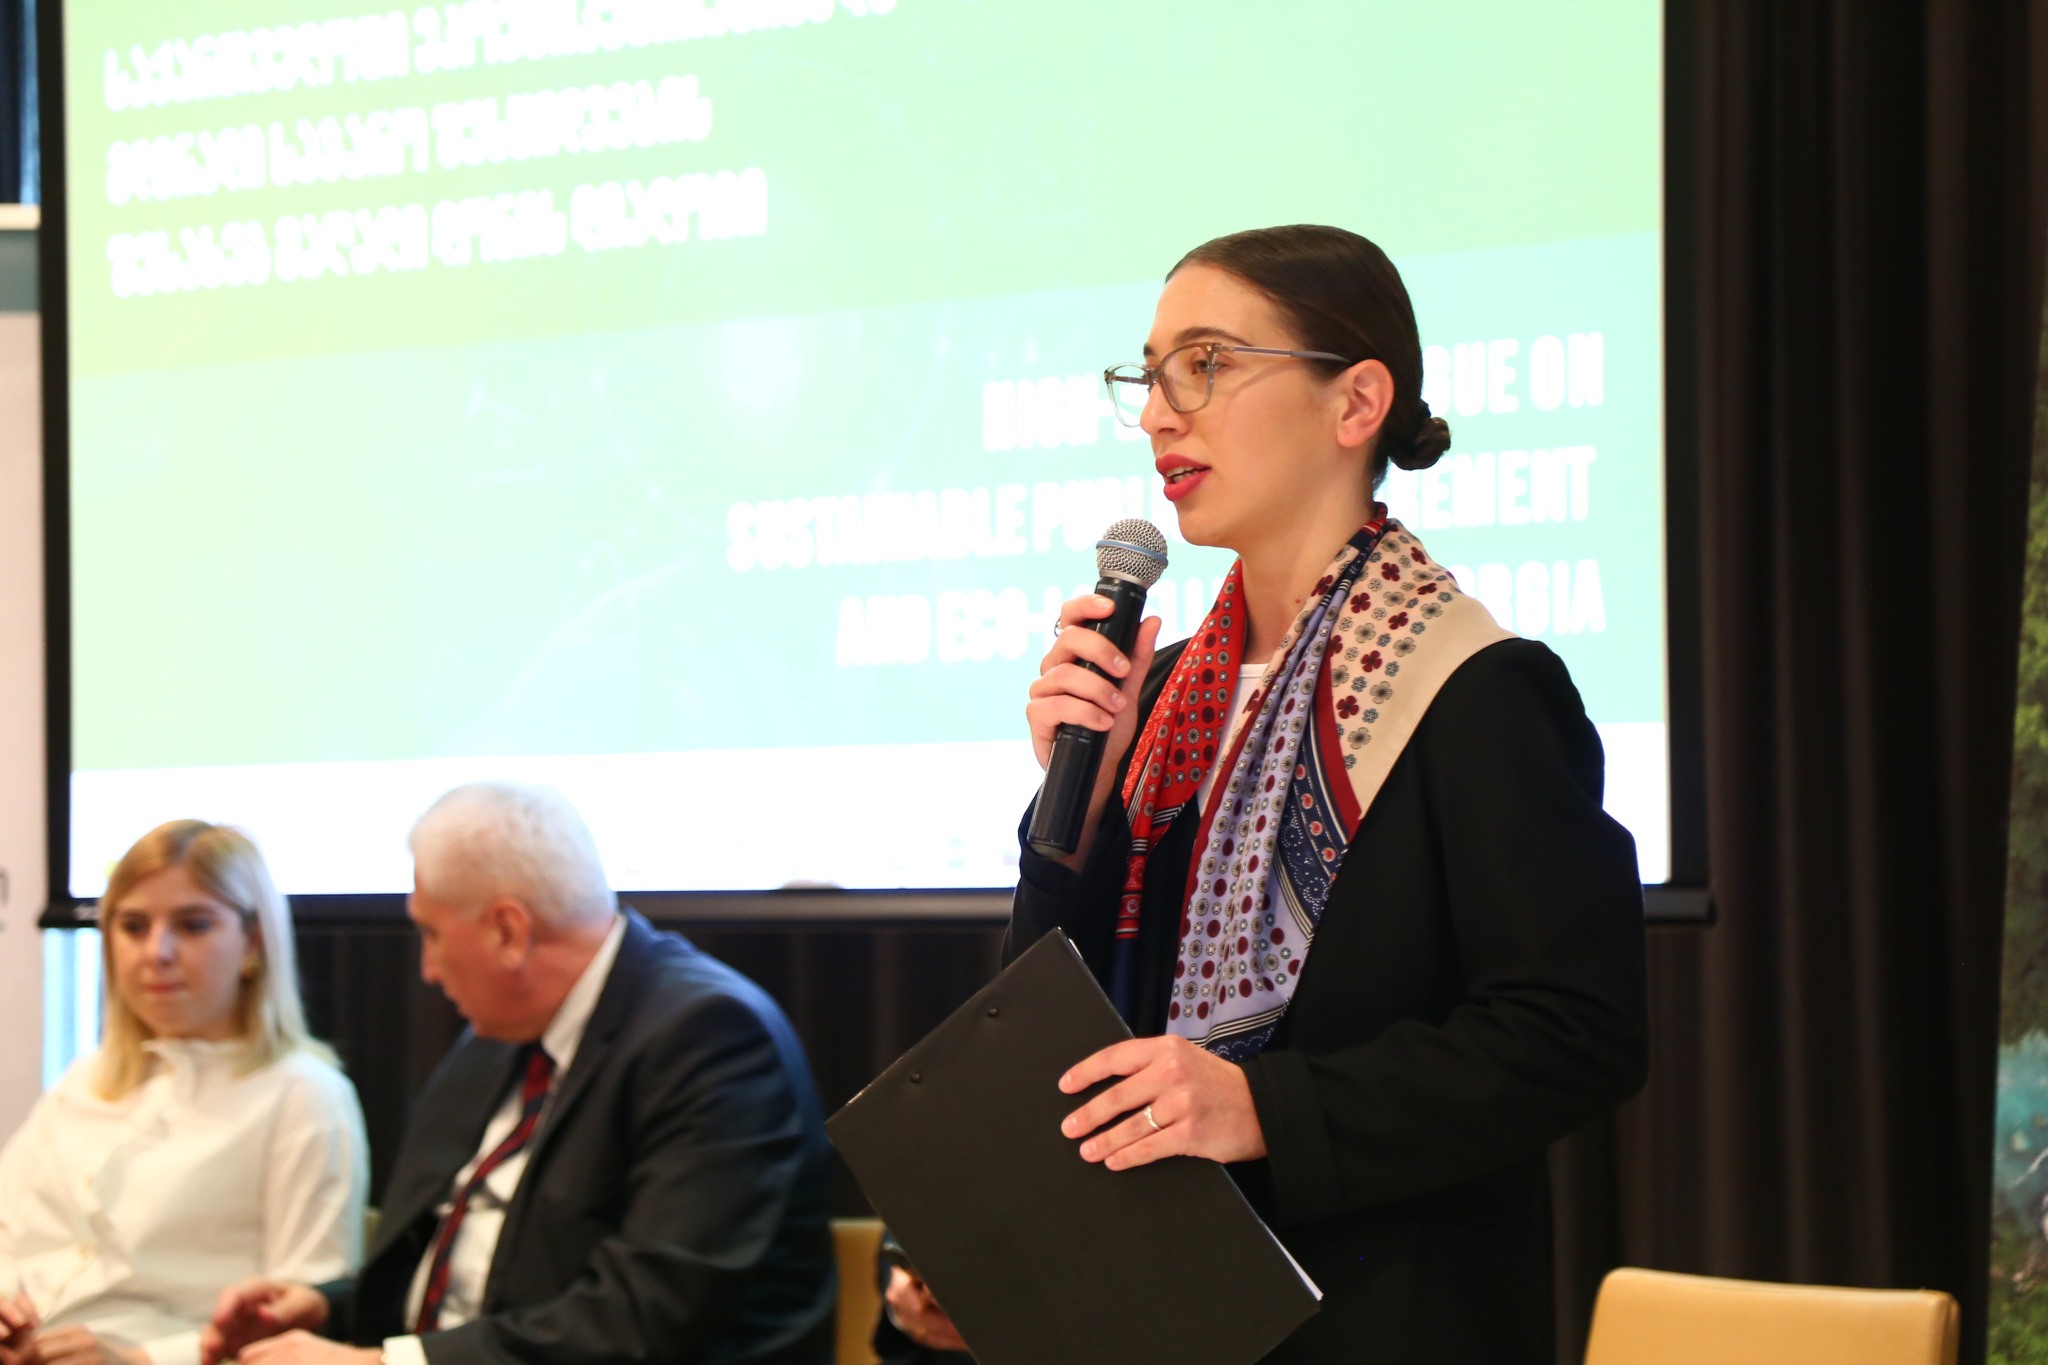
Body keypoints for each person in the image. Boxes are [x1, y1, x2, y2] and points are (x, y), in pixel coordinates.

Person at [1002, 224, 1650, 1362]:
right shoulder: (1161, 694)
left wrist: (1266, 1109)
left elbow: (1572, 1032)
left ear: (1356, 403)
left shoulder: (1476, 690)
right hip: (1163, 1304)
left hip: (1382, 1317)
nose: (1158, 416)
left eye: (1205, 363)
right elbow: (1058, 1024)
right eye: (1148, 377)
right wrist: (1077, 816)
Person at [203, 781, 837, 1365]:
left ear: (508, 930)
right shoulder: (499, 1036)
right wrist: (328, 1309)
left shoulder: (710, 1038)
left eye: (430, 933)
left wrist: (381, 1364)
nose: (427, 969)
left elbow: (645, 1318)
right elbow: (482, 1270)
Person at [0, 820, 368, 1365]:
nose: (158, 951)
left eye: (193, 925)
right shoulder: (83, 1080)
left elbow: (306, 1317)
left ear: (253, 942)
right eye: (133, 926)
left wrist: (142, 1359)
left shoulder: (304, 1096)